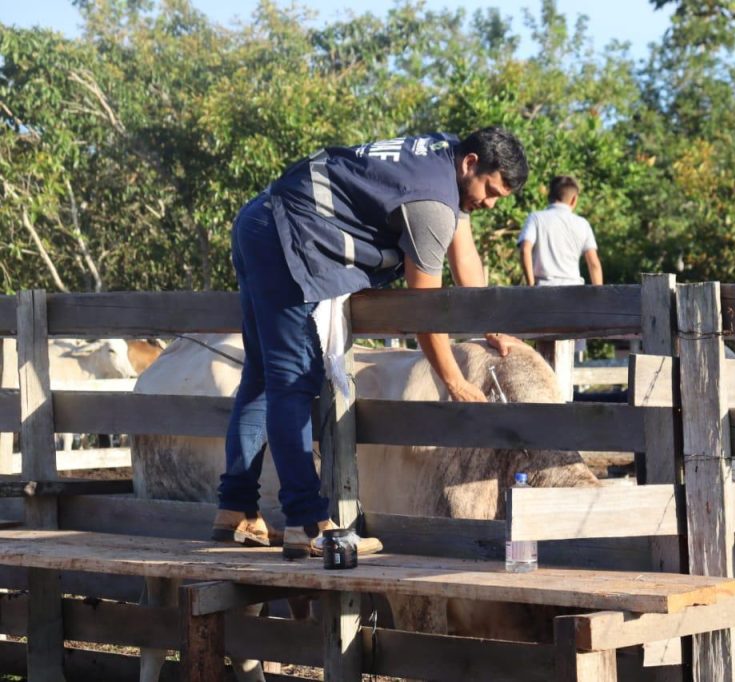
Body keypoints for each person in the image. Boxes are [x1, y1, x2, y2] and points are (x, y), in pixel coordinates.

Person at [211, 127, 529, 559]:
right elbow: (425, 310)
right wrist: (453, 380)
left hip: (260, 219)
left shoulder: (440, 157)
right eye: (491, 191)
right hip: (286, 235)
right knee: (292, 382)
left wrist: (489, 325)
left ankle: (236, 510)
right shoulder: (433, 203)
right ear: (471, 164)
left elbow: (464, 254)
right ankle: (307, 523)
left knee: (263, 378)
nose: (490, 203)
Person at [517, 175, 602, 288]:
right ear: (574, 199)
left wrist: (531, 286)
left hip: (543, 292)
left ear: (549, 196)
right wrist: (599, 297)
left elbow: (525, 250)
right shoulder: (583, 224)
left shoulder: (535, 218)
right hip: (574, 292)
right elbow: (594, 264)